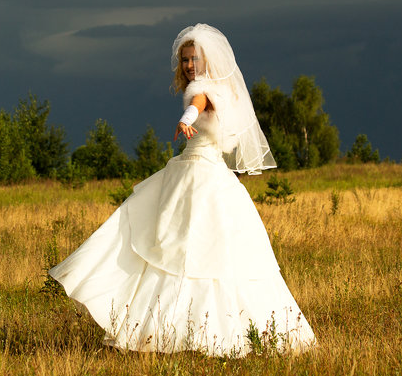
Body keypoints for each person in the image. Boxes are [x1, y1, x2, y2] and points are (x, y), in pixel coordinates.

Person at [49, 24, 316, 356]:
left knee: (181, 248)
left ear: (208, 59)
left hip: (198, 174)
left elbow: (198, 103)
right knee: (206, 251)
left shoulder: (202, 90)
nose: (189, 66)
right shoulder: (229, 92)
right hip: (211, 174)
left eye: (194, 58)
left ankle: (181, 332)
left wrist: (186, 119)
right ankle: (221, 332)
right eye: (185, 60)